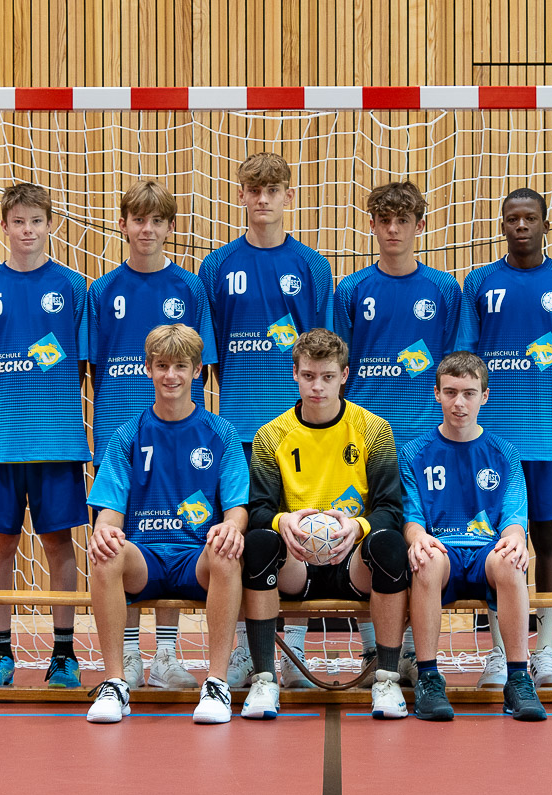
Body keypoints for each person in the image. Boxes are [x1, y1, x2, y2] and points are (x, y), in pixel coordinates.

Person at [198, 152, 333, 686]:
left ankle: (294, 647)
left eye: (273, 190)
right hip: (238, 428)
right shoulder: (216, 267)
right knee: (244, 539)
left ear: (289, 197)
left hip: (299, 427)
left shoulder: (312, 266)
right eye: (253, 190)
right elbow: (208, 358)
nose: (262, 199)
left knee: (304, 531)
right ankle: (242, 651)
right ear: (240, 196)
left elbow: (322, 349)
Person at [456, 188, 552, 688]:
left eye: (530, 218)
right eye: (512, 218)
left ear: (545, 224)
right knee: (493, 539)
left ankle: (547, 651)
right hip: (492, 437)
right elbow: (467, 358)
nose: (521, 226)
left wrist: (545, 390)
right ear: (502, 225)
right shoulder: (479, 282)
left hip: (549, 433)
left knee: (547, 534)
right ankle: (500, 652)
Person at [239, 329, 411, 720]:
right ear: (295, 374)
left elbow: (390, 508)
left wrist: (358, 528)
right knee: (259, 542)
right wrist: (283, 521)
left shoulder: (374, 429)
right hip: (297, 565)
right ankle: (264, 680)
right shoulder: (271, 434)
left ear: (344, 375)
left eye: (328, 376)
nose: (317, 386)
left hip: (354, 564)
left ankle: (386, 680)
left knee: (390, 542)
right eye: (309, 376)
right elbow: (259, 509)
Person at [87, 180, 217, 691]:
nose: (147, 229)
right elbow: (90, 366)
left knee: (175, 531)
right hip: (119, 434)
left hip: (179, 437)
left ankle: (165, 653)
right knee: (117, 542)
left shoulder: (189, 288)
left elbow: (205, 365)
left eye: (157, 220)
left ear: (169, 227)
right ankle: (125, 657)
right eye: (138, 219)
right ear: (122, 224)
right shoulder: (101, 291)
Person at [84, 325, 249, 724]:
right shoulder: (128, 435)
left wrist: (231, 527)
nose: (170, 375)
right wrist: (104, 529)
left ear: (197, 371)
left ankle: (217, 685)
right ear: (148, 368)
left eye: (180, 366)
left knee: (227, 552)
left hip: (196, 558)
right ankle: (115, 684)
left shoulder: (221, 433)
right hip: (146, 559)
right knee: (105, 553)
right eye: (161, 366)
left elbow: (237, 508)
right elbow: (109, 510)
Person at [0, 182, 90, 689]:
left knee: (59, 543)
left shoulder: (73, 287)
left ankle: (64, 654)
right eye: (18, 221)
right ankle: (0, 655)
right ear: (4, 226)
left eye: (36, 221)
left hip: (57, 441)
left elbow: (80, 364)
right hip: (0, 441)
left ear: (50, 225)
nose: (28, 230)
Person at [332, 180, 461, 680]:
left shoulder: (444, 290)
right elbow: (339, 365)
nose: (392, 230)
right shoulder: (351, 290)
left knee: (418, 543)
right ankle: (373, 651)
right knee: (370, 541)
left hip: (425, 438)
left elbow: (453, 365)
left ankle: (407, 651)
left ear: (419, 226)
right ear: (371, 225)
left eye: (402, 221)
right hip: (366, 438)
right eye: (384, 221)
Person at [401, 352, 547, 721]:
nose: (459, 403)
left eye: (468, 393)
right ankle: (429, 679)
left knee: (512, 560)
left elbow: (513, 516)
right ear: (436, 393)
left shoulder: (504, 452)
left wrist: (516, 537)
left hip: (486, 553)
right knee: (425, 559)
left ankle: (518, 679)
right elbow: (412, 518)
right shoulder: (414, 452)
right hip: (443, 551)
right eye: (450, 392)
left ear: (484, 395)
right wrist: (417, 537)